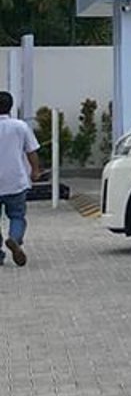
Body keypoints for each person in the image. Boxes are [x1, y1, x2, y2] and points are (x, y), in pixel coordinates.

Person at [0, 90, 40, 265]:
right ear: (10, 107)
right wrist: (35, 171)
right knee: (17, 215)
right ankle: (14, 238)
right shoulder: (20, 126)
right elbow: (31, 151)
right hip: (15, 180)